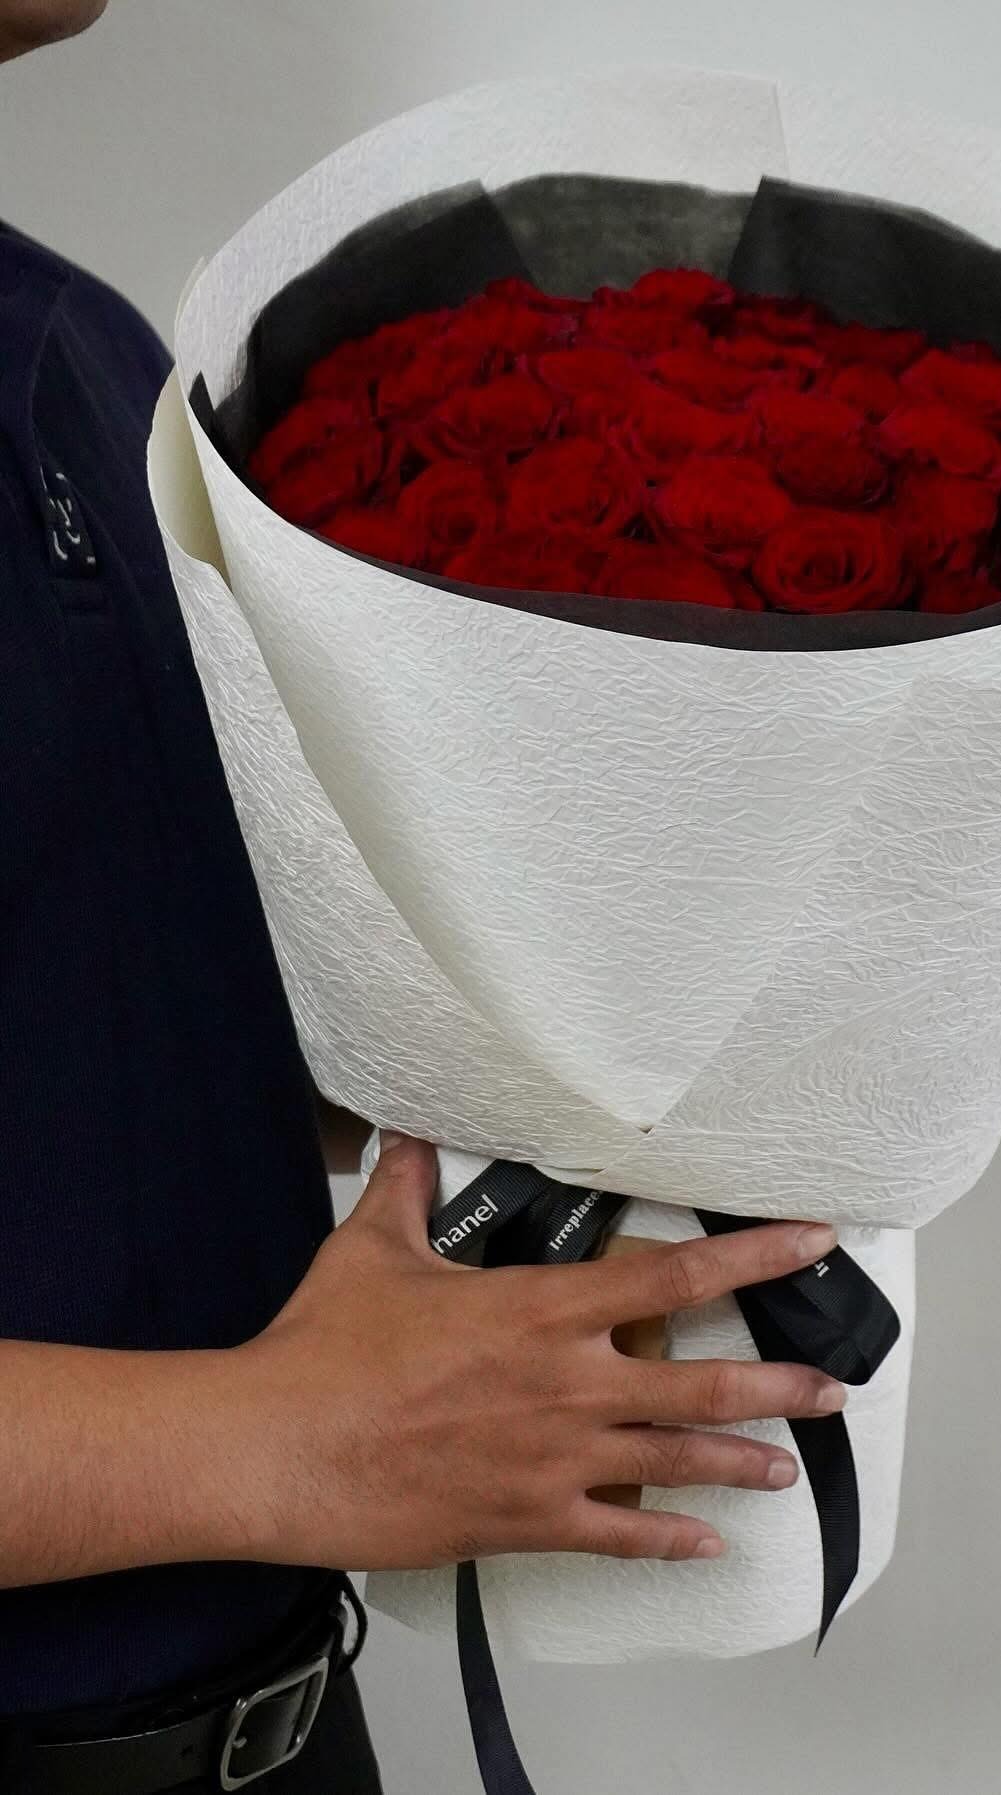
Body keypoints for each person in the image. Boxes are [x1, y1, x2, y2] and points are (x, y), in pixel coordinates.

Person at [0, 6, 845, 1788]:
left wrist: (601, 1061)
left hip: (285, 1724)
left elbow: (114, 1019)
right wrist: (274, 1442)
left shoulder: (74, 350)